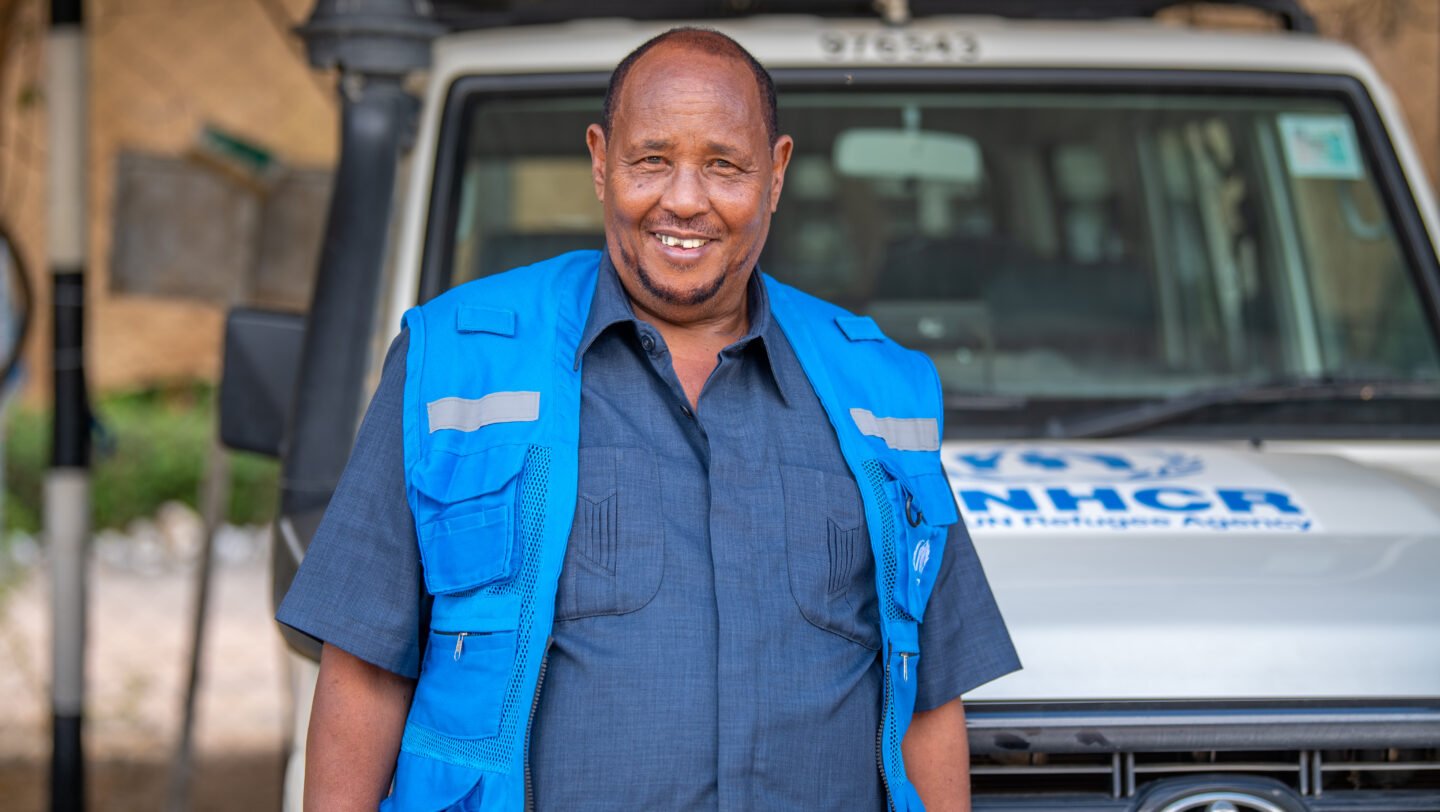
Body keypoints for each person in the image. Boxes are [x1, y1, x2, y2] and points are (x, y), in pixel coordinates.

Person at [278, 27, 1019, 812]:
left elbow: (929, 696)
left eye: (725, 165)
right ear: (601, 161)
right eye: (652, 160)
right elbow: (363, 667)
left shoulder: (883, 389)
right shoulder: (455, 362)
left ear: (775, 174)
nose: (685, 199)